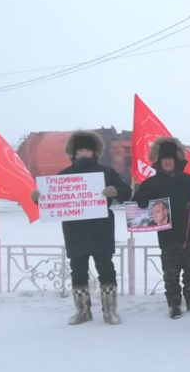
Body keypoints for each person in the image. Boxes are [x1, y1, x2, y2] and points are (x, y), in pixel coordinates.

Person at [30, 130, 131, 325]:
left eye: (88, 150)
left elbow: (127, 193)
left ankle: (110, 310)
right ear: (73, 153)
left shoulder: (106, 172)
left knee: (106, 269)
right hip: (75, 231)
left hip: (101, 229)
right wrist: (38, 199)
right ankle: (82, 310)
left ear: (95, 153)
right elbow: (51, 204)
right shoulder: (64, 175)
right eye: (80, 150)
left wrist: (116, 190)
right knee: (78, 271)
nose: (84, 154)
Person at [131, 136, 190, 320]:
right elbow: (136, 206)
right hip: (168, 235)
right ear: (159, 162)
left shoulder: (189, 179)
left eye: (170, 160)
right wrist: (141, 198)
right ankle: (174, 304)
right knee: (170, 273)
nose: (167, 163)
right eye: (164, 160)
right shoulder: (151, 183)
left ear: (176, 161)